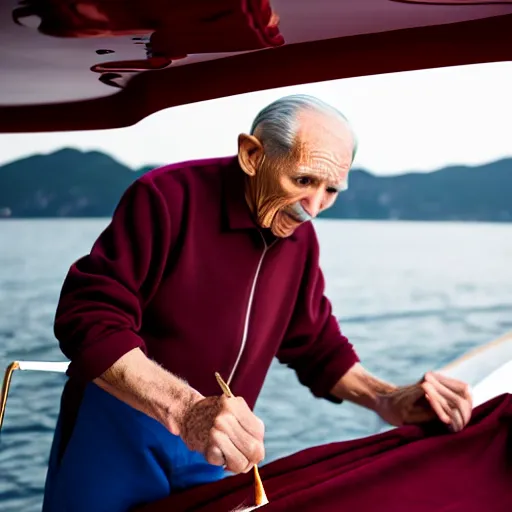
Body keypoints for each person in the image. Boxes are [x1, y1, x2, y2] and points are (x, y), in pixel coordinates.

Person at [42, 94, 473, 512]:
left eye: (330, 190)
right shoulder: (167, 196)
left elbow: (316, 344)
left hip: (215, 444)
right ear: (252, 155)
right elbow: (89, 315)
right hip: (118, 427)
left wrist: (387, 399)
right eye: (303, 181)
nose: (314, 208)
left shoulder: (299, 237)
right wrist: (186, 409)